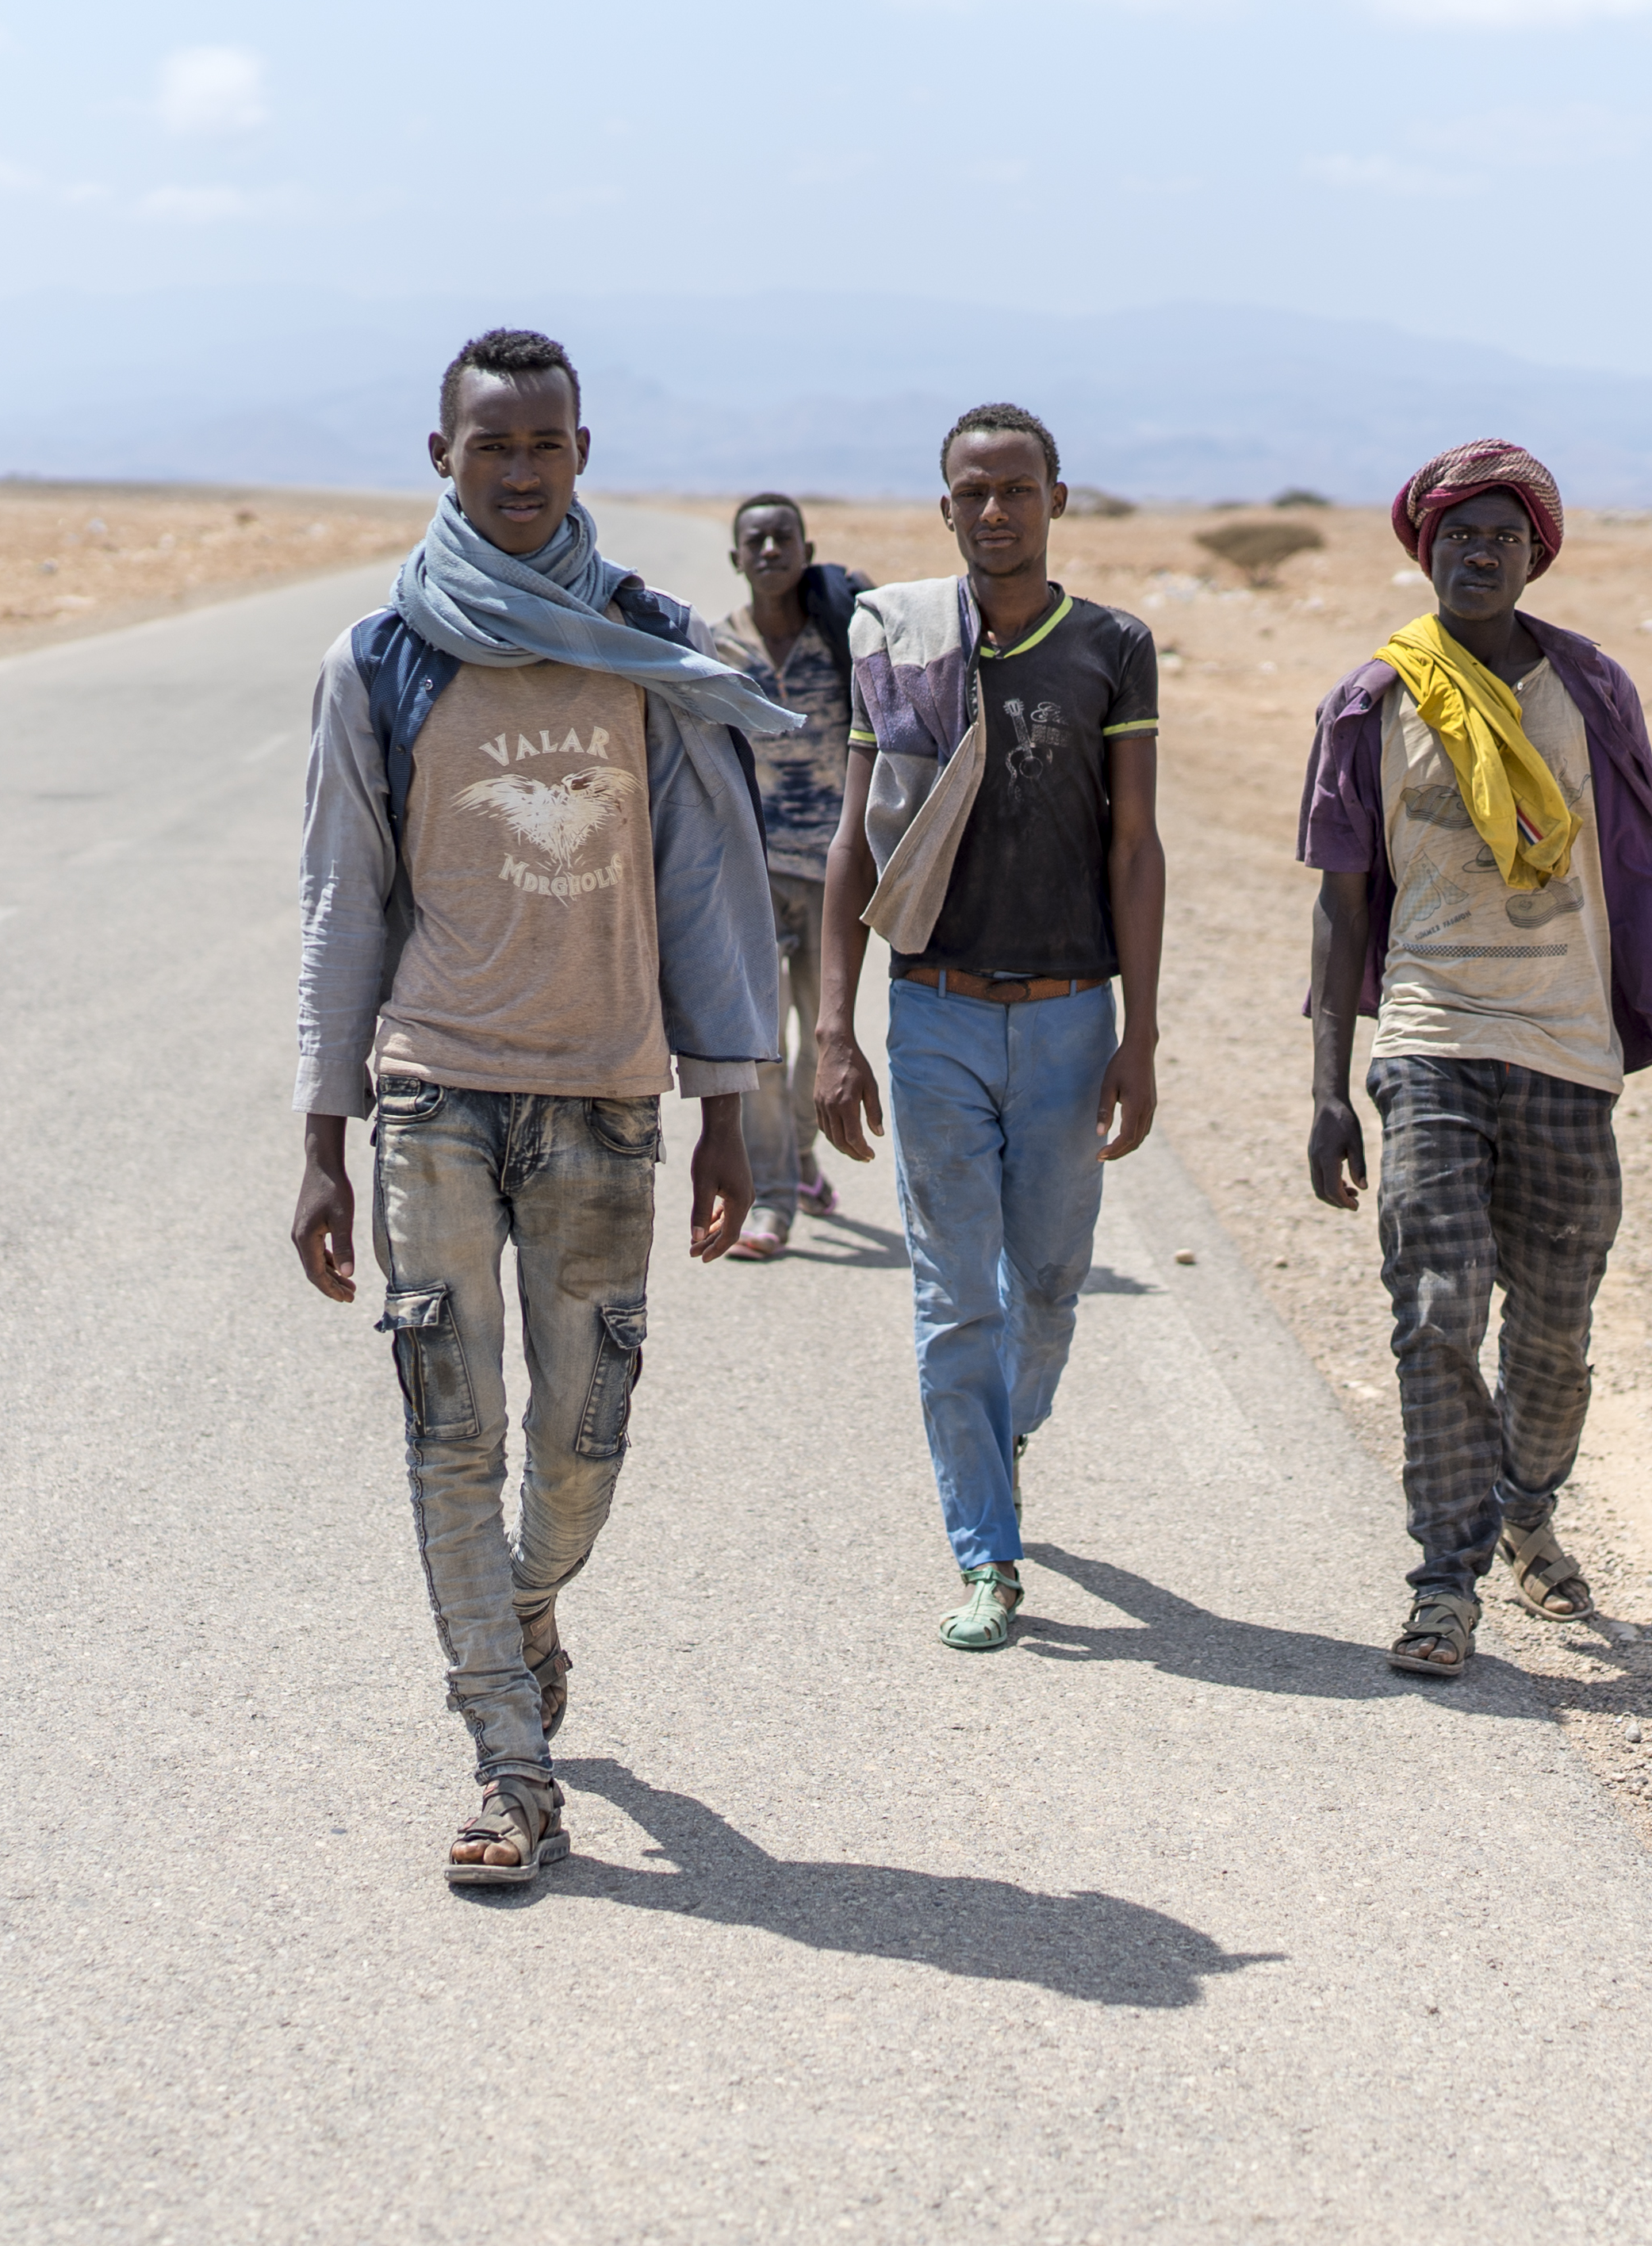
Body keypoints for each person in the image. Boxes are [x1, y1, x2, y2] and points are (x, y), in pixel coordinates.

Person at [286, 328, 794, 1884]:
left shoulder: (648, 648)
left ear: (582, 454)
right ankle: (508, 1756)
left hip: (600, 1103)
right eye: (488, 446)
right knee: (451, 1430)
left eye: (544, 446)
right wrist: (319, 1133)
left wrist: (734, 1110)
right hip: (432, 1092)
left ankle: (522, 1606)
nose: (518, 472)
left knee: (580, 1439)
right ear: (439, 456)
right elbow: (339, 903)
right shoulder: (381, 659)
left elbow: (710, 888)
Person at [1294, 439, 1652, 1681]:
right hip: (1430, 1033)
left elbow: (1642, 873)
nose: (1478, 554)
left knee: (1553, 1335)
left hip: (1569, 1050)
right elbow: (1338, 903)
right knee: (1434, 1313)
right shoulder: (1371, 700)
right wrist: (1328, 1084)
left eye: (1502, 538)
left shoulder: (1591, 691)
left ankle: (1529, 1502)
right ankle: (1446, 1581)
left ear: (1536, 555)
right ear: (1421, 548)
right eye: (1457, 535)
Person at [811, 403, 1165, 1653]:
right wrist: (834, 1033)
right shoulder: (896, 647)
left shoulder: (1112, 648)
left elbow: (1134, 846)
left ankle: (1000, 1432)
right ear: (945, 506)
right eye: (975, 492)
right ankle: (988, 1557)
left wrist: (1143, 1035)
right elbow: (854, 843)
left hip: (1071, 1020)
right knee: (956, 1294)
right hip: (935, 1017)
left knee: (1050, 1288)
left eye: (1020, 489)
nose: (997, 511)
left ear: (1059, 499)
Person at [703, 495, 872, 1259]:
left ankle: (799, 1159)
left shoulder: (845, 638)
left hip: (835, 876)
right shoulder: (714, 648)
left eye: (783, 537)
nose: (769, 548)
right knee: (762, 1048)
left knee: (821, 1043)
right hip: (748, 878)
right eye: (754, 540)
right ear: (736, 558)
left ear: (807, 549)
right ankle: (773, 1200)